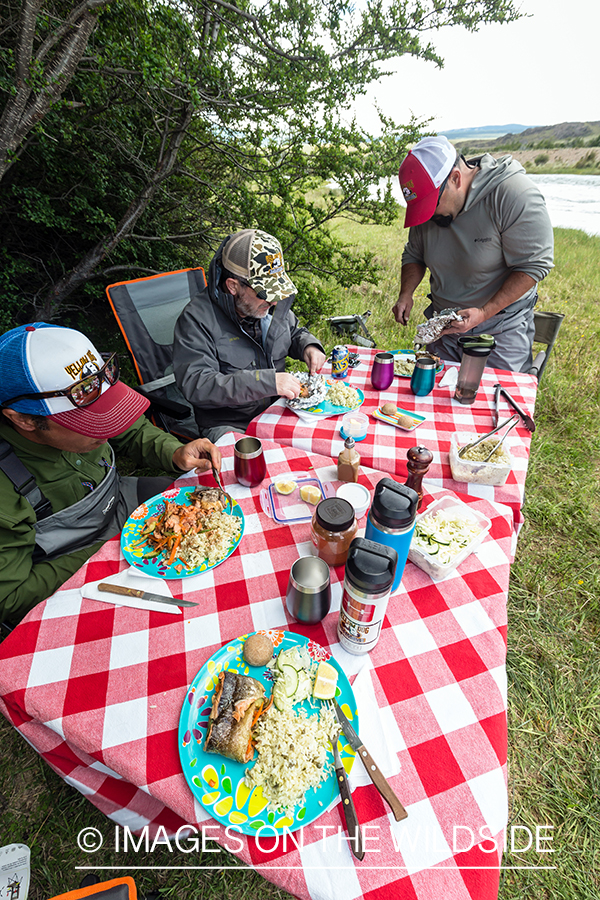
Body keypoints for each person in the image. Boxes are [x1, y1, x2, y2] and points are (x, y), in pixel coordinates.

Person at [0, 323, 222, 627]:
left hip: (122, 504)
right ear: (24, 419)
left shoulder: (83, 396)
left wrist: (173, 452)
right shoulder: (5, 488)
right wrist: (112, 550)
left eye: (107, 408)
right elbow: (10, 598)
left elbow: (130, 429)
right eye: (89, 424)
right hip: (72, 561)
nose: (107, 431)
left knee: (212, 517)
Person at [392, 135, 554, 372]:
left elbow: (533, 266)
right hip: (444, 330)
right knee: (433, 402)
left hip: (500, 332)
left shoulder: (512, 194)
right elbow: (415, 254)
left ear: (456, 178)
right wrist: (406, 293)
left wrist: (483, 313)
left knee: (494, 402)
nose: (427, 217)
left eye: (430, 206)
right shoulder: (431, 202)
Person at [173, 229, 327, 441]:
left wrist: (309, 346)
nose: (273, 301)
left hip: (277, 411)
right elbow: (199, 385)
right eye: (265, 293)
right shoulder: (196, 320)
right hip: (230, 425)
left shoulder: (265, 305)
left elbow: (293, 331)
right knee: (259, 469)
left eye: (276, 291)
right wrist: (267, 382)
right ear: (233, 286)